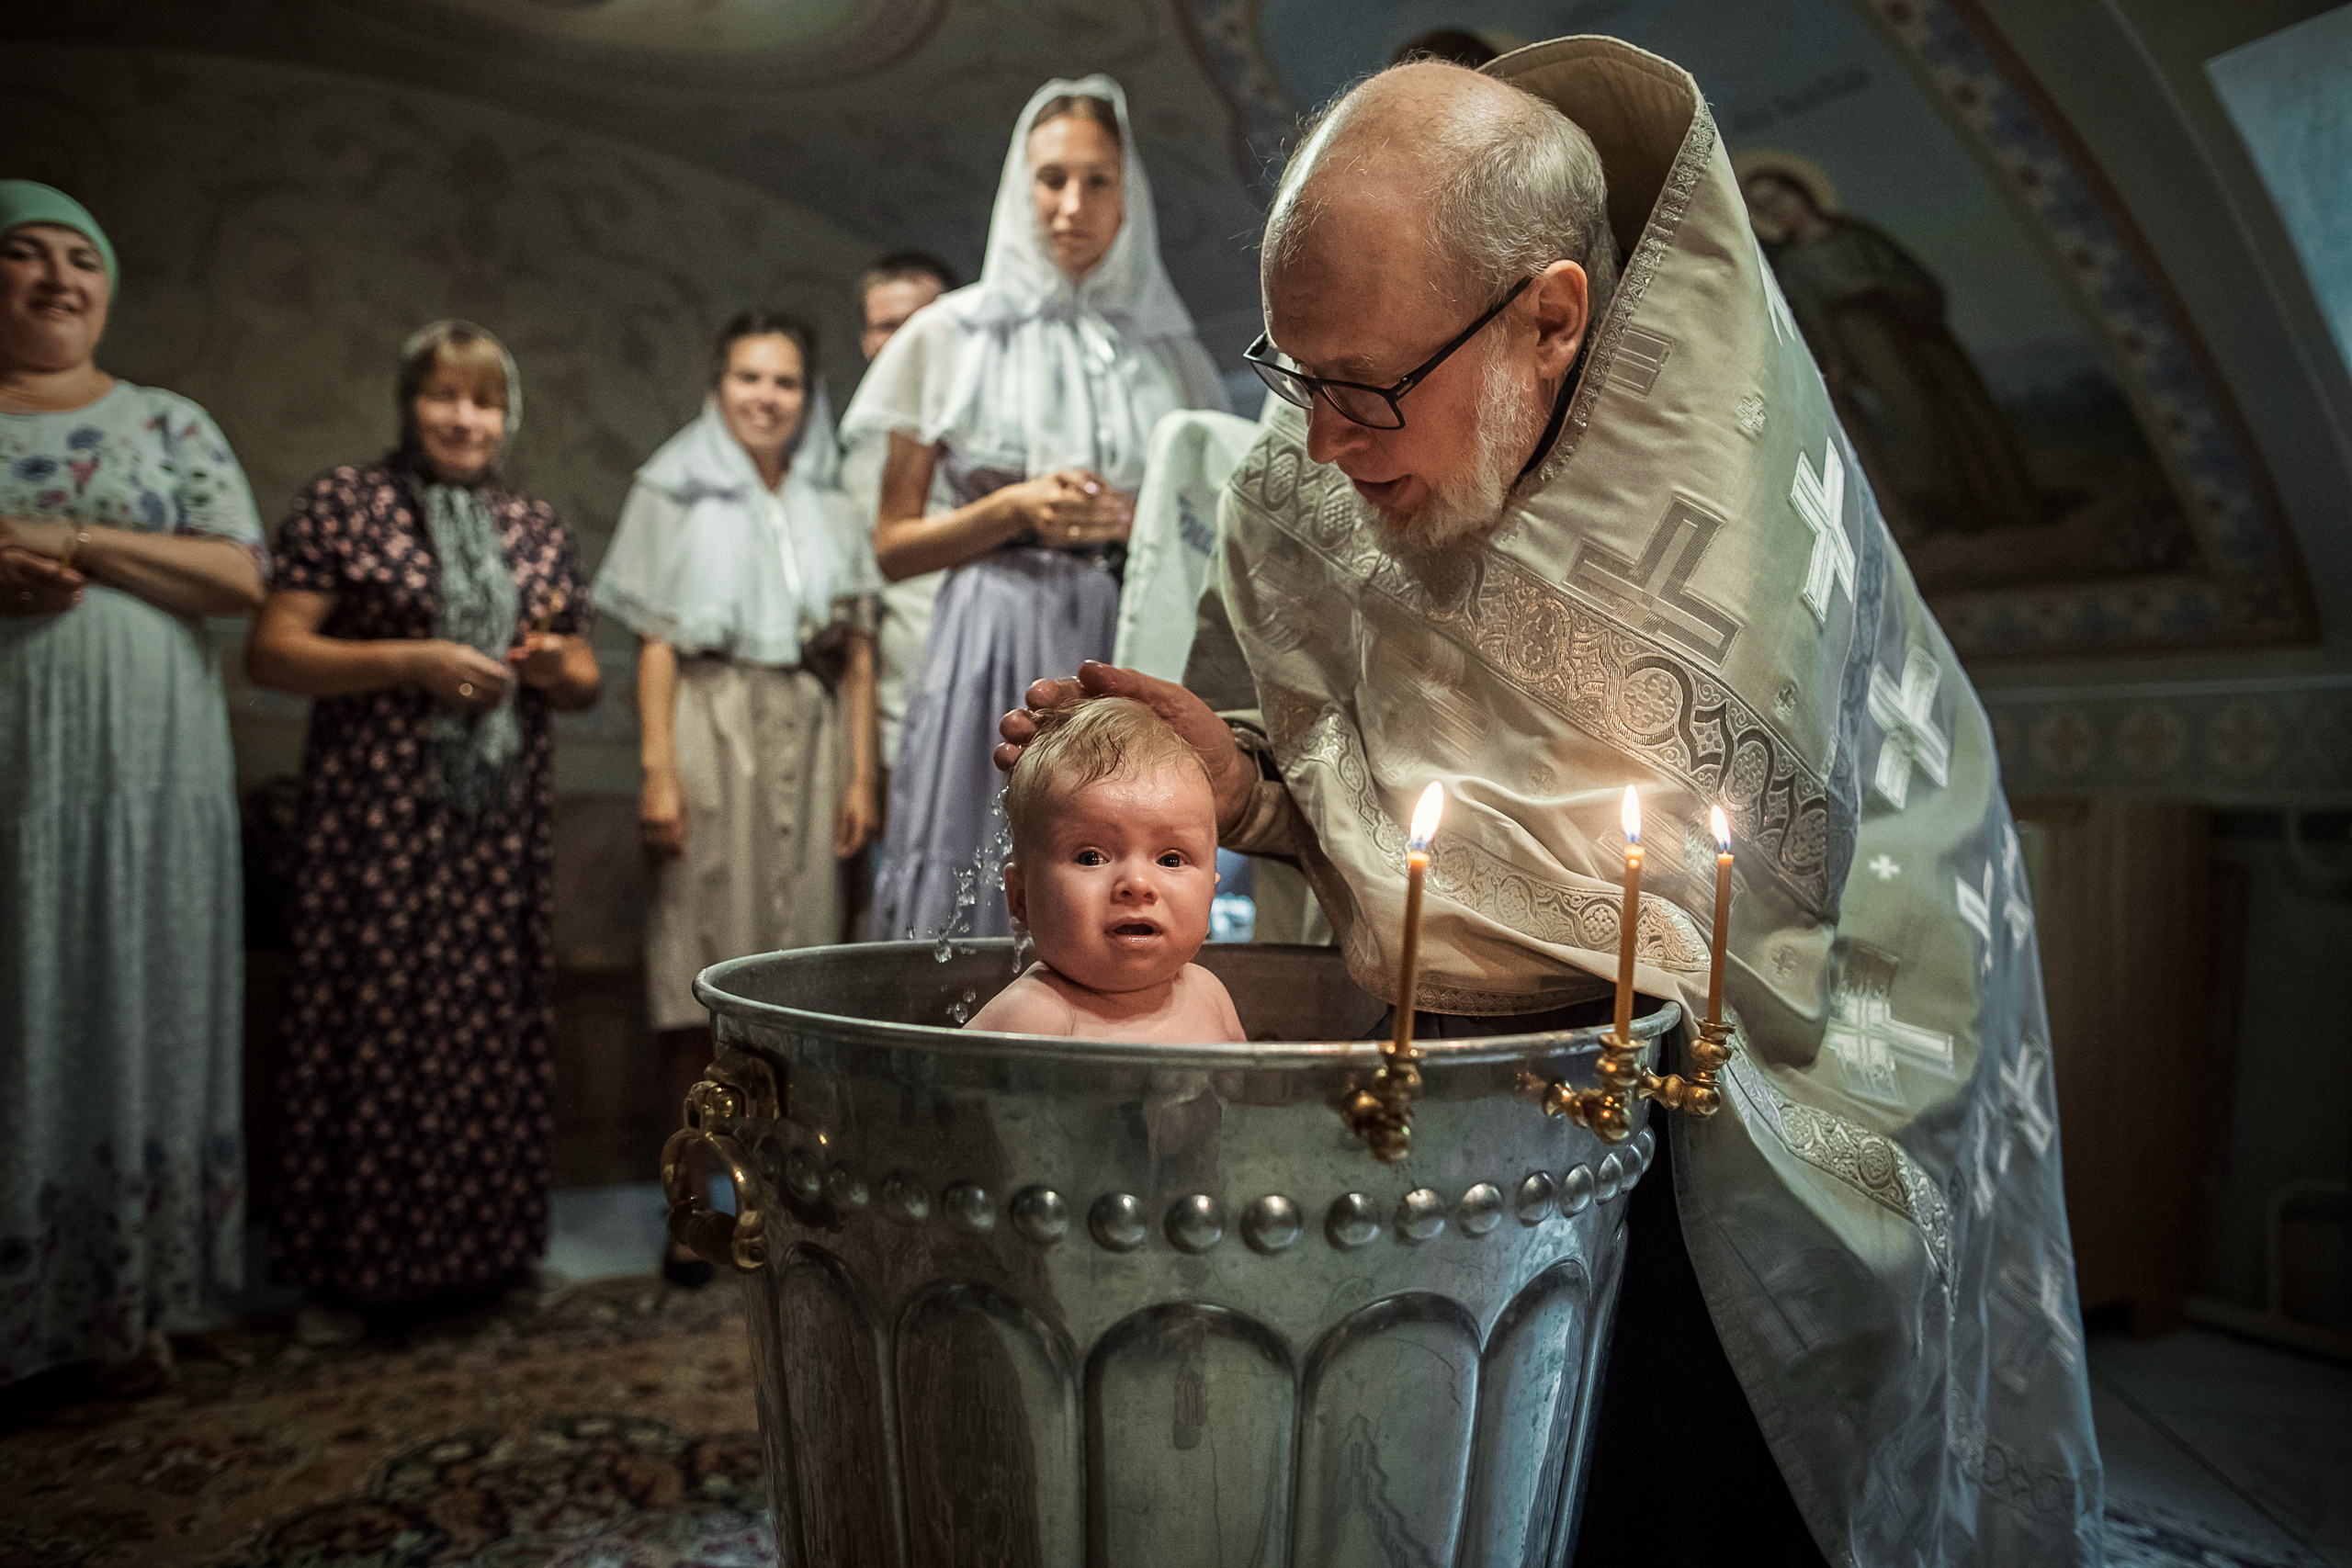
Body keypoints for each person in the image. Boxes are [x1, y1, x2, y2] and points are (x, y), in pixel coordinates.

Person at [1000, 48, 2101, 1568]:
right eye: (1294, 373)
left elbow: (1711, 908)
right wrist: (1241, 780)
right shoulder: (1330, 449)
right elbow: (1405, 810)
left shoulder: (1722, 522)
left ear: (1553, 317)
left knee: (1680, 1483)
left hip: (1773, 1076)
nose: (1318, 440)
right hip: (1473, 1110)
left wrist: (1304, 805)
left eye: (1364, 388)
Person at [246, 320, 599, 1339]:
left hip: (495, 833)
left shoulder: (532, 524)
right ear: (410, 405)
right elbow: (273, 653)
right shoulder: (344, 503)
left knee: (488, 1024)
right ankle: (340, 1279)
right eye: (444, 397)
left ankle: (486, 1260)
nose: (463, 418)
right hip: (374, 822)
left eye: (483, 401)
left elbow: (581, 676)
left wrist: (539, 664)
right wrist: (412, 660)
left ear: (506, 415)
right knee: (367, 1023)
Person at [844, 75, 1228, 944]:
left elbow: (1221, 526)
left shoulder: (1166, 354)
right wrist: (1015, 506)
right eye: (1051, 179)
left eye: (1097, 181)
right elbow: (892, 545)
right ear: (1020, 190)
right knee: (975, 848)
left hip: (1117, 631)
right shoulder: (950, 334)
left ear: (1129, 194)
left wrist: (1135, 519)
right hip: (991, 630)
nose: (1071, 204)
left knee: (1106, 853)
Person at [0, 182, 266, 1392]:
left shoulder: (168, 423)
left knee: (145, 986)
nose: (59, 278)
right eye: (25, 254)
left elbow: (236, 573)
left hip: (155, 783)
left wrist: (73, 541)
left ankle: (137, 1298)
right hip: (21, 775)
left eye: (82, 259)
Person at [592, 312, 877, 1282]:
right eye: (750, 378)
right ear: (719, 385)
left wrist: (859, 773)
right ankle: (692, 1203)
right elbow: (658, 644)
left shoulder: (827, 502)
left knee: (800, 960)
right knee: (697, 961)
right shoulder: (673, 489)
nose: (767, 398)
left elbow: (861, 650)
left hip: (808, 721)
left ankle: (789, 1198)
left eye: (786, 382)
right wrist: (660, 771)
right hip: (712, 725)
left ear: (807, 397)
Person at [1737, 151, 2045, 545]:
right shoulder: (1792, 264)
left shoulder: (1855, 238)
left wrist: (1878, 288)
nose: (1776, 210)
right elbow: (1813, 322)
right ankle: (1953, 510)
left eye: (1779, 198)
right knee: (1916, 422)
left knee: (1964, 414)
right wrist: (1837, 359)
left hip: (1919, 339)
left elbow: (1918, 286)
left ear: (1801, 193)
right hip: (1870, 355)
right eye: (1763, 207)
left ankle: (2007, 502)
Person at [967, 696, 1241, 1041]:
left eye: (1171, 860)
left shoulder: (1211, 996)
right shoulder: (1033, 1018)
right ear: (1021, 898)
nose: (1138, 884)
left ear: (1211, 895)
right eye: (1091, 857)